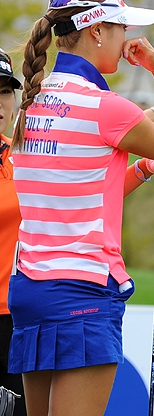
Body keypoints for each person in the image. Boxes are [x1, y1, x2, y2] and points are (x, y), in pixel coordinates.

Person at [8, 0, 154, 416]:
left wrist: (145, 168)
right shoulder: (105, 107)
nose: (126, 38)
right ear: (96, 31)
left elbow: (84, 190)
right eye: (120, 28)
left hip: (30, 288)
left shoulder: (33, 103)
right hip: (82, 290)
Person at [0, 48, 26, 416]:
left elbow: (71, 194)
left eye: (6, 91)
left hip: (17, 319)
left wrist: (145, 166)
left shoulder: (18, 154)